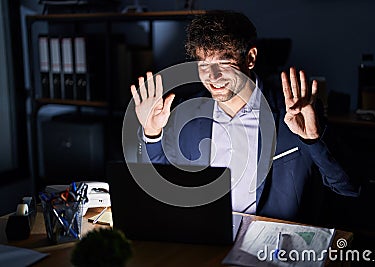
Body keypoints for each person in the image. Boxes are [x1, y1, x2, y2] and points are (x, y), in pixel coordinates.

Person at [131, 10, 359, 221]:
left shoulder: (292, 114)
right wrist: (152, 135)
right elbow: (164, 186)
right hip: (206, 242)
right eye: (203, 64)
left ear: (250, 58)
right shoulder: (185, 114)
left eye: (224, 62)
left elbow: (348, 188)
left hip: (271, 250)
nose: (213, 76)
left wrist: (313, 140)